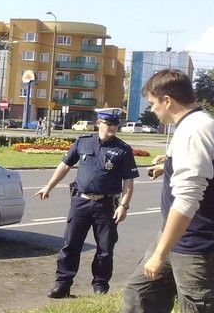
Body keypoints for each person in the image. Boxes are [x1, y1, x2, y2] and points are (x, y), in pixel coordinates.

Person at [91, 69, 214, 313]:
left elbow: (187, 200)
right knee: (141, 292)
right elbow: (208, 170)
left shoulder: (193, 132)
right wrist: (168, 165)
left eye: (153, 103)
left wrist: (159, 253)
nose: (152, 110)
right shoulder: (199, 126)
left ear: (168, 100)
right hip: (184, 237)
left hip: (198, 243)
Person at [35, 110, 138, 298]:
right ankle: (63, 285)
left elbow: (129, 181)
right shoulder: (83, 141)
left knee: (105, 249)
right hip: (80, 202)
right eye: (109, 124)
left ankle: (100, 286)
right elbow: (65, 165)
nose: (113, 128)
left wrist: (124, 205)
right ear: (99, 123)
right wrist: (48, 187)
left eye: (115, 125)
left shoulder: (123, 149)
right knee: (71, 245)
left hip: (106, 205)